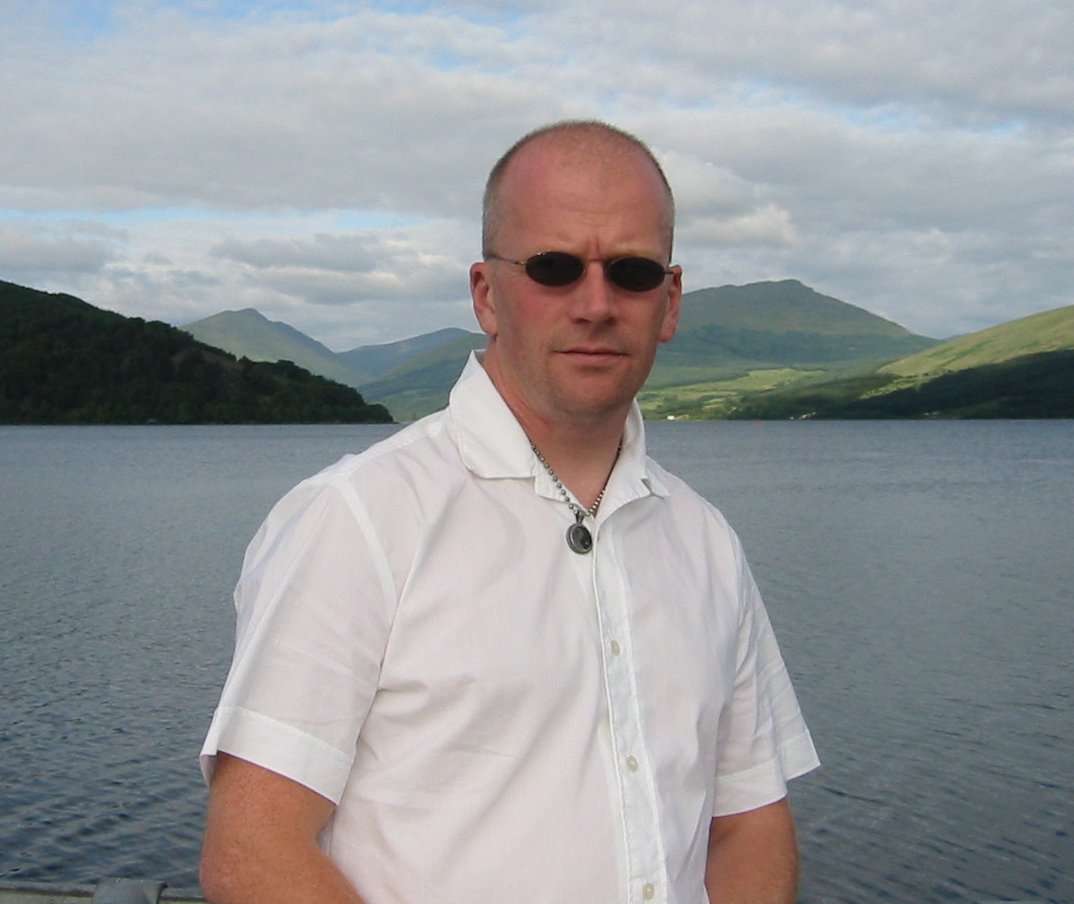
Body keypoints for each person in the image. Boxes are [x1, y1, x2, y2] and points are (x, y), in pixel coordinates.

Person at [199, 120, 819, 904]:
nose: (596, 304)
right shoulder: (359, 519)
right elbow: (254, 852)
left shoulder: (706, 543)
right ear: (487, 295)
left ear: (669, 303)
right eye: (554, 268)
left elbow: (748, 824)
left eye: (631, 272)